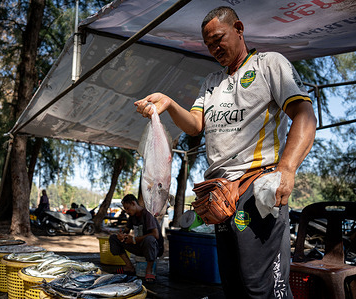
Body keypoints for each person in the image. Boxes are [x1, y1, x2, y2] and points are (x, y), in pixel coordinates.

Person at [134, 6, 316, 298]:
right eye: (208, 45)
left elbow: (305, 115)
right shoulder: (211, 83)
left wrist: (287, 168)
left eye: (219, 39)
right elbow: (195, 125)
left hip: (257, 192)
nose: (214, 48)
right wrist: (167, 103)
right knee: (233, 284)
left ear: (239, 29)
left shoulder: (270, 64)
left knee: (262, 287)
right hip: (219, 197)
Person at [109, 194, 164, 283]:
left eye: (127, 208)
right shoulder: (132, 216)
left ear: (133, 203)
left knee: (149, 239)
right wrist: (121, 235)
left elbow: (155, 235)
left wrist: (134, 240)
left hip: (154, 248)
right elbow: (126, 231)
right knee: (113, 238)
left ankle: (149, 270)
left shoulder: (147, 214)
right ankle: (129, 266)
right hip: (139, 246)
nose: (126, 211)